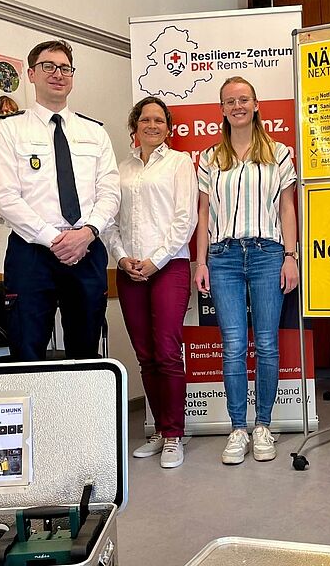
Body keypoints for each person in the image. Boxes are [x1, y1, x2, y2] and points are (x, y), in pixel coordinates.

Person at [0, 39, 120, 361]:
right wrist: (54, 240)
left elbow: (110, 191)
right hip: (32, 252)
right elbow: (5, 196)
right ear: (31, 74)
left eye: (65, 68)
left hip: (87, 249)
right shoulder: (8, 131)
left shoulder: (95, 133)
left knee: (86, 353)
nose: (58, 74)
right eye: (48, 66)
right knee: (27, 352)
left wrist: (87, 233)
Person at [194, 77, 299, 465]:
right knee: (234, 345)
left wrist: (291, 256)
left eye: (243, 99)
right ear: (221, 110)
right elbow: (204, 213)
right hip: (222, 257)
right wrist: (201, 261)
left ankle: (263, 426)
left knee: (267, 344)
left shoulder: (279, 153)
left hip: (267, 254)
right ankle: (238, 428)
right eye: (229, 101)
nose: (237, 106)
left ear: (256, 105)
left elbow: (287, 207)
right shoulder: (210, 158)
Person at [102, 97, 197, 469]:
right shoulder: (120, 169)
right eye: (146, 120)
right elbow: (110, 221)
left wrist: (155, 261)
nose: (153, 125)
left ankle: (174, 434)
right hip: (129, 271)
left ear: (168, 128)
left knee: (167, 352)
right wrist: (122, 257)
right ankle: (159, 429)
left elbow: (185, 219)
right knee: (145, 356)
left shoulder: (179, 163)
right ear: (135, 126)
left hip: (169, 267)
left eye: (160, 120)